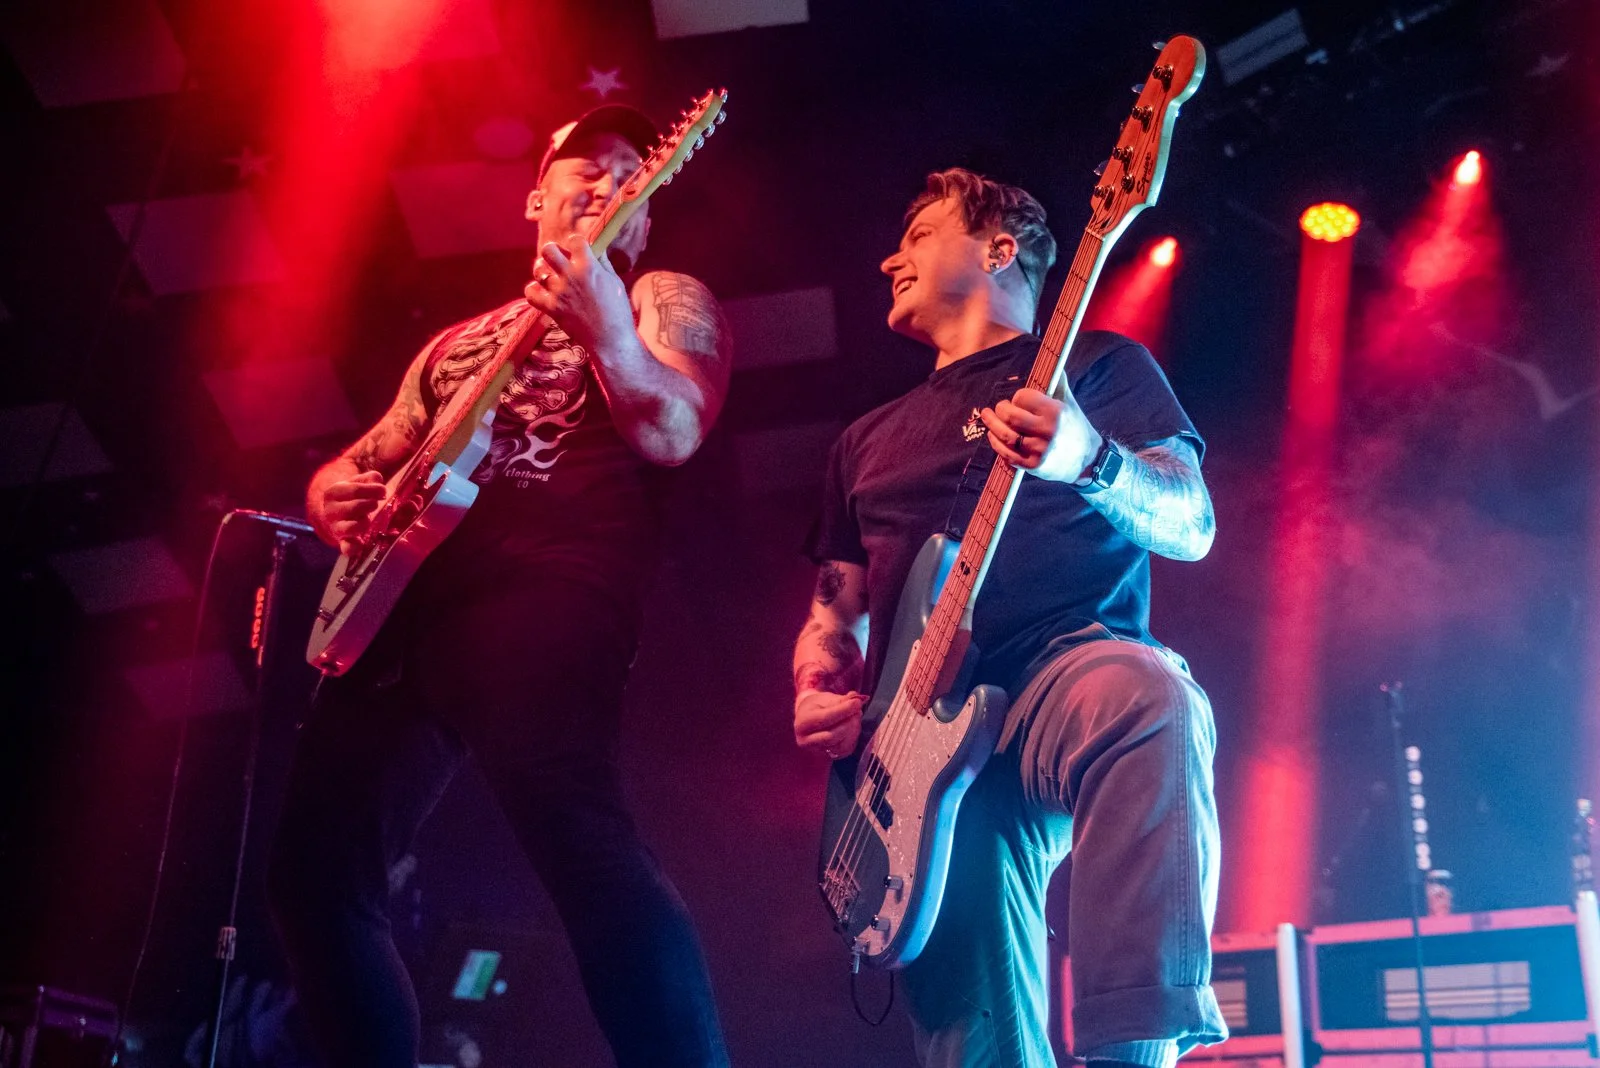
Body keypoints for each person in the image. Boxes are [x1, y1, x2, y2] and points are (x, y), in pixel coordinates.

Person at [267, 104, 733, 1068]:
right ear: (537, 197)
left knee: (578, 842)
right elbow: (363, 461)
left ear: (642, 220)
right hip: (406, 604)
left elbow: (675, 429)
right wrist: (331, 495)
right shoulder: (453, 343)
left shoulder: (662, 297)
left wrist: (606, 324)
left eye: (628, 175)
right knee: (311, 872)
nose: (607, 181)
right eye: (587, 166)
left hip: (550, 586)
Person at [792, 168, 1227, 1068]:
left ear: (999, 249)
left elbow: (1191, 523)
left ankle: (1136, 1048)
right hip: (912, 747)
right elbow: (836, 610)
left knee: (1153, 702)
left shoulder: (1097, 367)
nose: (888, 257)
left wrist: (1090, 458)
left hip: (1061, 678)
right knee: (976, 1041)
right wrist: (818, 686)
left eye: (916, 234)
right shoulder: (861, 442)